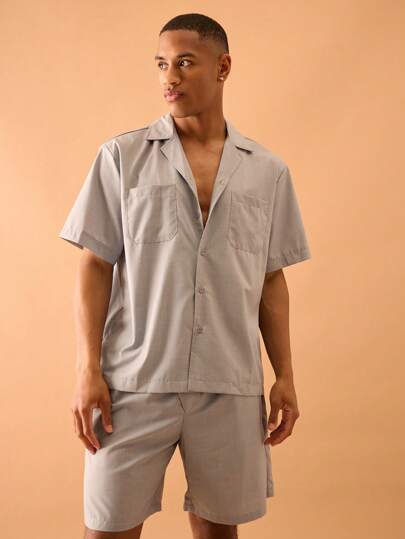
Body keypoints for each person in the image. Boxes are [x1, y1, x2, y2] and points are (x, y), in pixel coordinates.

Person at [59, 12, 312, 539]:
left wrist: (284, 374)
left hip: (229, 382)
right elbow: (94, 263)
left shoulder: (267, 171)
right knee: (106, 529)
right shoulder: (121, 157)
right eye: (161, 64)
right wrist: (88, 369)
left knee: (219, 532)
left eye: (184, 63)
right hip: (133, 382)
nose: (169, 77)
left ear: (223, 67)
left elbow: (270, 279)